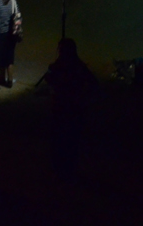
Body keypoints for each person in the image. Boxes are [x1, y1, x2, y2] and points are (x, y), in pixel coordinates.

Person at [41, 38, 100, 179]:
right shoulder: (77, 66)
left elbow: (49, 79)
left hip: (64, 106)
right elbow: (93, 83)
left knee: (61, 138)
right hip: (73, 107)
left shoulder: (61, 66)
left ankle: (61, 168)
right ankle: (68, 168)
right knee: (70, 139)